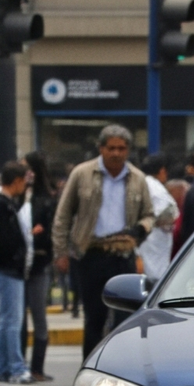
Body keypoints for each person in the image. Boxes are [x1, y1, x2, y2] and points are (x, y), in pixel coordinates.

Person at [51, 123, 156, 356]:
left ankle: (120, 368)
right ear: (101, 148)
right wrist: (61, 252)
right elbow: (63, 215)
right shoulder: (82, 174)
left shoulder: (138, 179)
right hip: (91, 254)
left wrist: (141, 228)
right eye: (111, 148)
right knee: (94, 319)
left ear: (128, 150)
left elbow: (149, 214)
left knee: (124, 320)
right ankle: (89, 368)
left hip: (123, 256)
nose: (116, 153)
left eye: (121, 148)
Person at [0, 160, 33, 385]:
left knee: (6, 319)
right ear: (16, 181)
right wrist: (16, 257)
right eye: (24, 181)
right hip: (7, 269)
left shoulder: (3, 203)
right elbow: (4, 239)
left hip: (7, 268)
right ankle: (16, 367)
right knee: (12, 320)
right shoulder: (0, 205)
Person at [23, 152, 57, 382]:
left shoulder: (47, 199)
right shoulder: (17, 197)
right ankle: (19, 364)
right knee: (17, 319)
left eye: (27, 168)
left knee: (38, 317)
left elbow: (50, 233)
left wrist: (36, 235)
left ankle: (37, 367)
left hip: (39, 264)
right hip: (18, 264)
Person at [138, 151, 180, 283]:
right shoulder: (156, 188)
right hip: (155, 239)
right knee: (155, 279)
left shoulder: (143, 183)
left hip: (148, 241)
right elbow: (168, 214)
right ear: (162, 170)